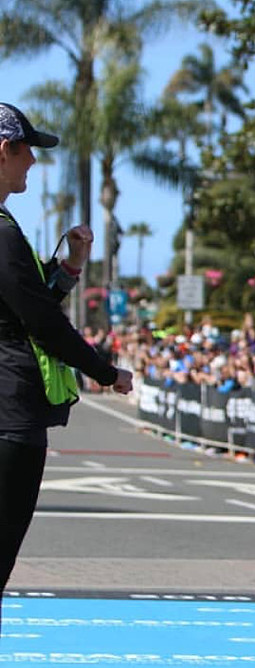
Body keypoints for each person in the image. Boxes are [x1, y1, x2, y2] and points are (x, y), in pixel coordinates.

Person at [0, 102, 133, 628]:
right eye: (26, 150)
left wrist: (70, 267)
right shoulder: (0, 231)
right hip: (8, 416)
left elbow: (26, 301)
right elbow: (41, 324)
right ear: (3, 151)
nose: (33, 161)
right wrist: (107, 373)